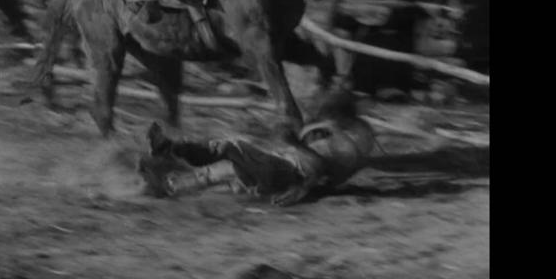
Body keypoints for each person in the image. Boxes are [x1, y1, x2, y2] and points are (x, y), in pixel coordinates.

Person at [137, 91, 384, 205]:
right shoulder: (356, 133)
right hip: (284, 170)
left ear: (339, 116)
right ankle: (165, 187)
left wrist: (295, 145)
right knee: (222, 174)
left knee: (231, 146)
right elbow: (325, 167)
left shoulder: (344, 143)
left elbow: (319, 167)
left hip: (286, 172)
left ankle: (171, 149)